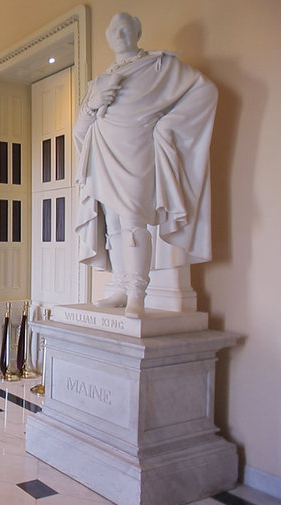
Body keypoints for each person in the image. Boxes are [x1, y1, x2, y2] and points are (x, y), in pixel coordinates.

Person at [73, 12, 217, 318]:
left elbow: (205, 90)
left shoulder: (160, 67)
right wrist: (91, 104)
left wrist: (168, 126)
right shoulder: (98, 81)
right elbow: (79, 130)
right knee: (113, 226)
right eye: (113, 29)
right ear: (108, 36)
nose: (119, 33)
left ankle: (139, 292)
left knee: (134, 222)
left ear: (137, 32)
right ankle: (122, 287)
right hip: (103, 155)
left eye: (126, 27)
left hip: (137, 153)